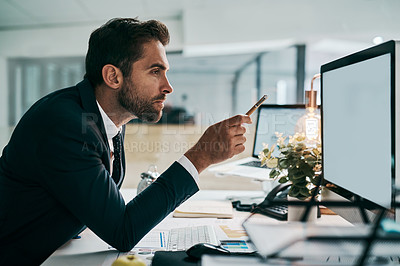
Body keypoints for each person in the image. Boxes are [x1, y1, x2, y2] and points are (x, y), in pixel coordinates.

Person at [0, 18, 251, 265]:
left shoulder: (107, 119)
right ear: (113, 76)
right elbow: (122, 231)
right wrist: (200, 157)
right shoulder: (67, 125)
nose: (168, 87)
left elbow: (98, 200)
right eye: (155, 72)